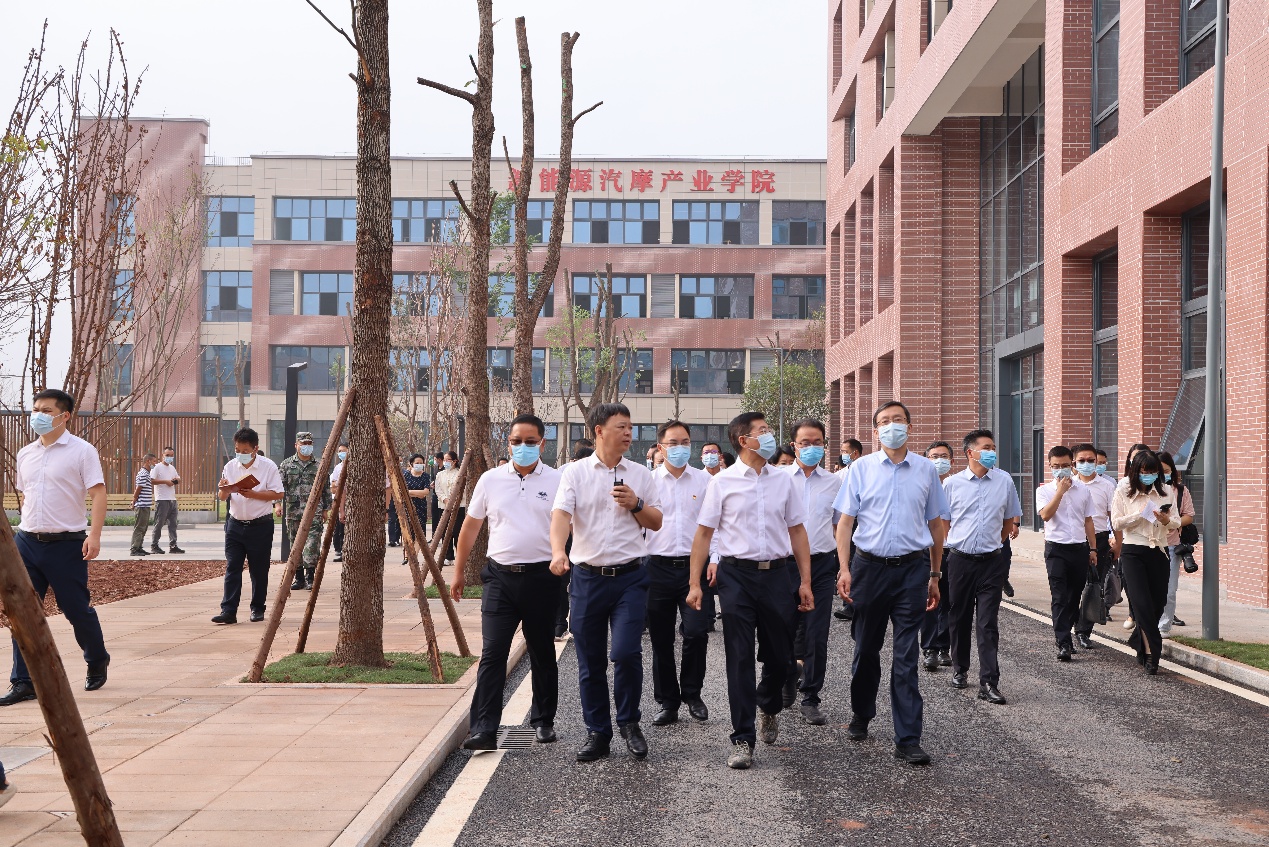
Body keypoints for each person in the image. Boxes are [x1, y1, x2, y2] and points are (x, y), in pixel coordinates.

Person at [687, 411, 812, 770]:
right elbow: (704, 534)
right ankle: (743, 737)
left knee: (781, 657)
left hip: (778, 576)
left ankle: (768, 704)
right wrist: (695, 583)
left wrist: (805, 581)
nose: (770, 435)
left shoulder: (784, 480)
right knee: (739, 657)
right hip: (736, 577)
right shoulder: (722, 482)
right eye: (764, 431)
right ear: (744, 440)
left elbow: (797, 531)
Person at [833, 400, 948, 766]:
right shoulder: (861, 468)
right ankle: (861, 713)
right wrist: (844, 568)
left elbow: (936, 525)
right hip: (869, 569)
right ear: (876, 431)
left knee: (906, 656)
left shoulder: (925, 470)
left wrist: (934, 574)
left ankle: (908, 737)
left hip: (912, 571)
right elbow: (845, 523)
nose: (891, 426)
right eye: (884, 421)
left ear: (909, 427)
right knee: (866, 649)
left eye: (898, 420)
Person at [550, 403, 662, 762]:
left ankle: (629, 723)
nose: (628, 433)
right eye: (621, 427)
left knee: (626, 652)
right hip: (587, 579)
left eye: (630, 427)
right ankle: (597, 732)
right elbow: (561, 515)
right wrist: (558, 551)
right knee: (591, 660)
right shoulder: (575, 473)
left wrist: (636, 503)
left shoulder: (641, 474)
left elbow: (656, 521)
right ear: (599, 430)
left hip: (630, 578)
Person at [456, 414, 563, 750]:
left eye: (530, 442)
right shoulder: (490, 480)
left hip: (543, 579)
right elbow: (471, 526)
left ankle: (543, 721)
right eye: (517, 441)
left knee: (542, 650)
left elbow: (571, 524)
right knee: (493, 653)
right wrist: (458, 572)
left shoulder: (558, 481)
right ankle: (484, 729)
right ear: (508, 443)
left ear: (542, 445)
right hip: (500, 579)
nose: (522, 447)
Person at [1, 389, 110, 706]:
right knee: (22, 612)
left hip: (67, 545)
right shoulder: (26, 453)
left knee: (76, 609)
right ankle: (24, 681)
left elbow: (98, 494)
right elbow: (28, 495)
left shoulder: (82, 451)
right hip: (26, 543)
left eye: (46, 410)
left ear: (65, 416)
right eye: (35, 409)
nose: (38, 416)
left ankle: (97, 658)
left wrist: (95, 536)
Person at [942, 430, 1022, 705]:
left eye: (993, 447)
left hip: (991, 562)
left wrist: (994, 544)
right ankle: (960, 668)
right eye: (986, 447)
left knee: (988, 622)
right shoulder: (951, 484)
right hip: (960, 561)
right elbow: (944, 523)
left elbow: (1009, 519)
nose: (992, 452)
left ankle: (989, 681)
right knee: (959, 616)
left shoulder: (1004, 480)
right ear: (970, 452)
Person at [646, 420, 715, 727]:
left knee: (697, 632)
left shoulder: (705, 481)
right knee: (661, 640)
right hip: (656, 568)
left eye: (685, 442)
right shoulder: (648, 482)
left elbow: (716, 525)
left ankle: (692, 693)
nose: (680, 448)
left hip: (694, 568)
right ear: (661, 447)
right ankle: (668, 701)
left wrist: (716, 559)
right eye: (673, 443)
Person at [781, 418, 843, 725]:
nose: (811, 448)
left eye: (817, 442)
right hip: (784, 566)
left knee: (817, 634)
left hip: (821, 565)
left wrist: (844, 567)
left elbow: (840, 526)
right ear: (794, 446)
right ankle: (787, 677)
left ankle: (811, 696)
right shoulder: (778, 478)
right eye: (805, 443)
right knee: (783, 630)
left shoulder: (835, 483)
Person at [1111, 451, 1180, 674]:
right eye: (1143, 472)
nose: (1148, 476)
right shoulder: (1123, 490)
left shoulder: (1166, 491)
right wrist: (1139, 515)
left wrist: (1166, 519)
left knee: (1158, 604)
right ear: (1135, 472)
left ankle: (1139, 641)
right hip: (1133, 550)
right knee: (1141, 603)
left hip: (1159, 550)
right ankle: (1152, 654)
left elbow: (1176, 522)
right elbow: (1116, 522)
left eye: (1152, 472)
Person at [213, 427, 284, 624]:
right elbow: (222, 497)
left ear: (255, 449)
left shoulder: (268, 467)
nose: (240, 454)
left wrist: (254, 494)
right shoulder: (230, 466)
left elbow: (278, 493)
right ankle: (228, 611)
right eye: (237, 450)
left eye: (245, 451)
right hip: (235, 525)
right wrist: (223, 489)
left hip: (260, 525)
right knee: (232, 567)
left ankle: (257, 608)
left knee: (259, 569)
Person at [1036, 445, 1099, 661]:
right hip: (1056, 549)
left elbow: (1088, 520)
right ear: (1050, 466)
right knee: (1059, 596)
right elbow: (1046, 515)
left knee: (1074, 596)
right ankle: (1063, 641)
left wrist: (1093, 548)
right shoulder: (1044, 491)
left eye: (1064, 465)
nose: (1060, 470)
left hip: (1079, 549)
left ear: (1072, 464)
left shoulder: (1083, 490)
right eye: (1056, 466)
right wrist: (1060, 492)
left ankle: (1067, 634)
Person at [1072, 443, 1120, 649]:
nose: (1087, 464)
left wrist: (1118, 542)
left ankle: (1083, 631)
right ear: (1074, 463)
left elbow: (1114, 518)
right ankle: (1068, 627)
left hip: (1100, 541)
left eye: (1091, 460)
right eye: (1081, 461)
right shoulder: (1068, 484)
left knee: (1094, 586)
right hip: (1073, 540)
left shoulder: (1107, 486)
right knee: (1073, 587)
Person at [279, 432, 331, 591]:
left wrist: (326, 509)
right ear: (296, 445)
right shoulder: (286, 465)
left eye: (309, 443)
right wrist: (277, 505)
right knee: (295, 544)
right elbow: (279, 487)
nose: (306, 447)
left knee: (312, 544)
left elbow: (326, 489)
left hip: (314, 511)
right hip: (293, 511)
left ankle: (310, 577)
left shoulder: (319, 465)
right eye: (303, 444)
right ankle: (299, 577)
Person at [554, 438, 595, 639]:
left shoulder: (562, 471)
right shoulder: (564, 474)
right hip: (569, 534)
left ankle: (566, 623)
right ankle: (562, 623)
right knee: (566, 580)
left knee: (568, 581)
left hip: (578, 534)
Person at [919, 441, 954, 672]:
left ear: (952, 461)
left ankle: (944, 647)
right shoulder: (921, 486)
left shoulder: (957, 486)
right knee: (929, 600)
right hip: (926, 551)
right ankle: (929, 648)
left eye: (943, 456)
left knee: (949, 602)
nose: (939, 460)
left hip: (952, 551)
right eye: (933, 456)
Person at [1156, 452, 1194, 637]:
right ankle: (1148, 621)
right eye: (1159, 471)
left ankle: (1164, 626)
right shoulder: (1147, 491)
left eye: (1166, 470)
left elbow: (1189, 515)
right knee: (1149, 588)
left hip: (1172, 545)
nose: (1163, 474)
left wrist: (1172, 522)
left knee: (1169, 589)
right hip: (1150, 544)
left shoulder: (1181, 490)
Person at [833, 437, 864, 621]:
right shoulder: (840, 475)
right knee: (847, 562)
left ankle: (853, 604)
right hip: (845, 523)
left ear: (855, 453)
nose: (843, 455)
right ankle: (849, 603)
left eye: (845, 451)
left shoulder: (865, 471)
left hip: (861, 522)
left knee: (857, 562)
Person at [398, 453, 432, 564]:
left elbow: (425, 492)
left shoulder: (425, 476)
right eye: (417, 463)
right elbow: (401, 491)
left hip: (421, 507)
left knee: (419, 533)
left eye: (421, 463)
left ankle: (414, 556)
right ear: (411, 463)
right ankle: (407, 555)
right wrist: (417, 493)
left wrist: (409, 492)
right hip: (407, 506)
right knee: (408, 531)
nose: (419, 465)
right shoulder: (405, 475)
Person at [149, 446, 184, 554]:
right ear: (163, 455)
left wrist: (177, 480)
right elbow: (151, 480)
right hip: (162, 499)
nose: (169, 457)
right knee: (159, 523)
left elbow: (178, 478)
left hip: (172, 499)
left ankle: (173, 545)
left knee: (173, 524)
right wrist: (165, 481)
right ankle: (154, 545)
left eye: (171, 455)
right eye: (167, 455)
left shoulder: (172, 468)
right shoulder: (157, 467)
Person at [434, 451, 465, 564]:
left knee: (457, 531)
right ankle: (448, 556)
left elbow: (463, 490)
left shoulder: (460, 474)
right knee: (445, 531)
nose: (445, 462)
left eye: (448, 460)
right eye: (444, 459)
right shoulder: (440, 474)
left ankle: (460, 556)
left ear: (454, 461)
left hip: (459, 506)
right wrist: (445, 499)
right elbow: (438, 489)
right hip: (444, 506)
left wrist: (454, 501)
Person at [129, 452, 157, 556]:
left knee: (143, 528)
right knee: (139, 528)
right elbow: (138, 489)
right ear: (148, 461)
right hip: (141, 505)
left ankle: (139, 547)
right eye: (154, 461)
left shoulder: (147, 473)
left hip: (145, 505)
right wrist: (134, 501)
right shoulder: (143, 474)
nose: (155, 464)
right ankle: (134, 548)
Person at [331, 443, 348, 562]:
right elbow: (334, 487)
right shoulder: (338, 468)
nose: (341, 453)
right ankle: (342, 551)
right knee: (341, 529)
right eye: (340, 451)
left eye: (344, 451)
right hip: (342, 501)